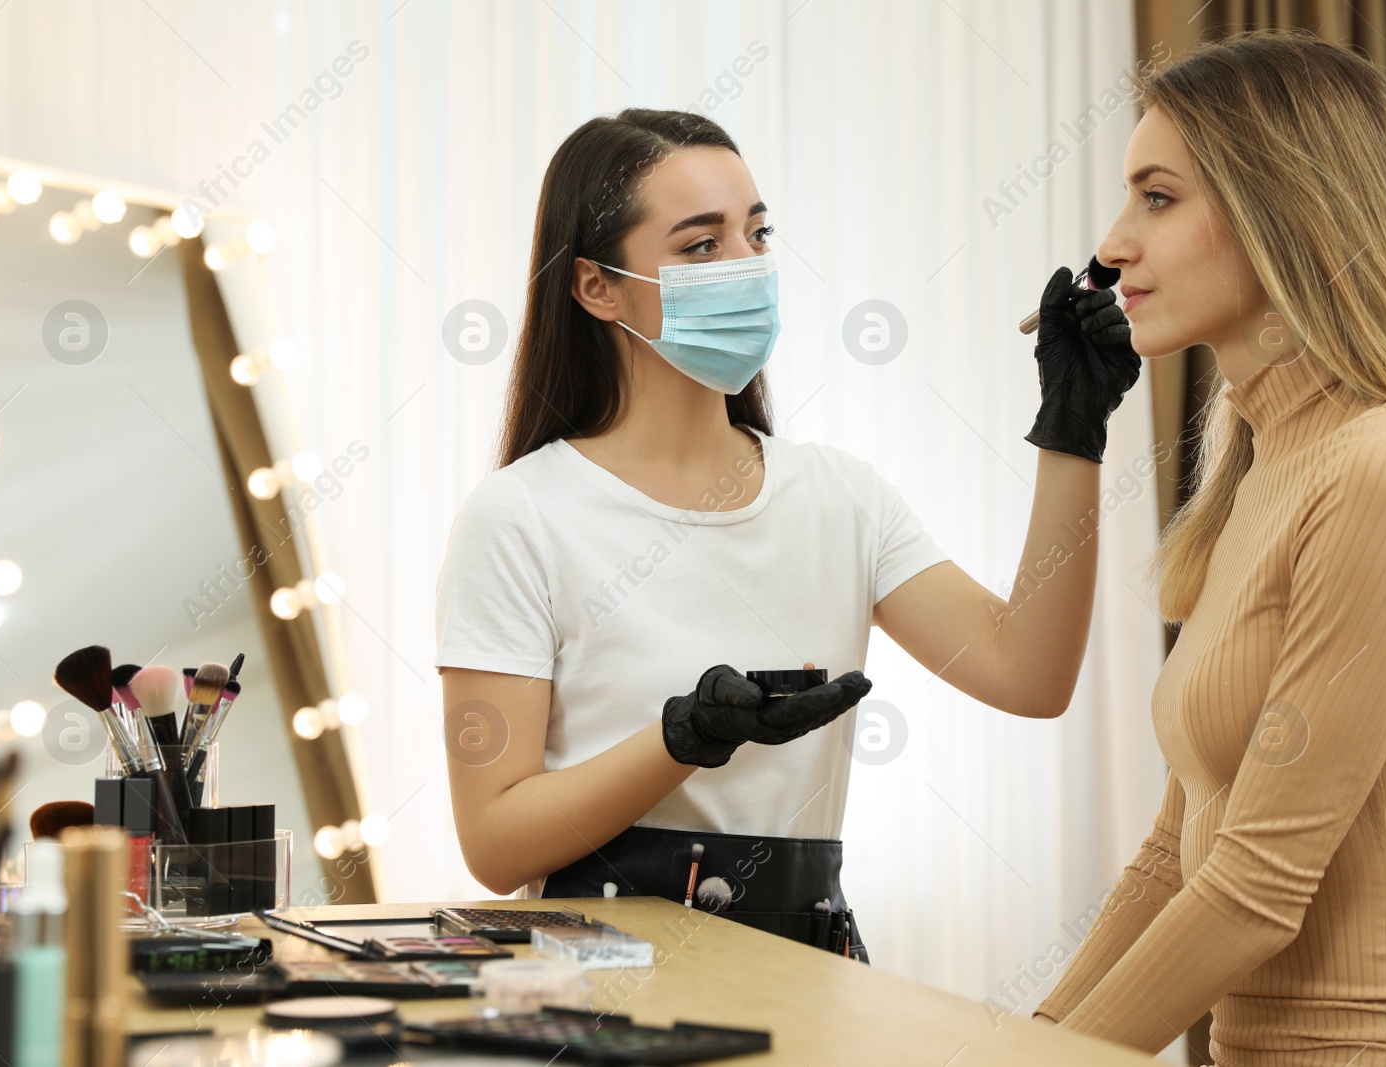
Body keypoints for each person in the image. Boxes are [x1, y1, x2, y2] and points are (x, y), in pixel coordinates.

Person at [434, 107, 1140, 961]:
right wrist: (680, 739)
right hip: (600, 994)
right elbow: (496, 844)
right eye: (701, 246)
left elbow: (1029, 673)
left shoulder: (838, 496)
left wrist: (1074, 428)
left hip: (810, 973)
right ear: (596, 286)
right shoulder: (518, 518)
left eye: (757, 234)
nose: (746, 267)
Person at [1030, 32, 1386, 1065]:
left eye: (1157, 196)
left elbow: (1258, 887)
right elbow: (1170, 855)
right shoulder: (1260, 455)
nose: (1109, 245)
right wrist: (1021, 1035)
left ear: (1288, 209)